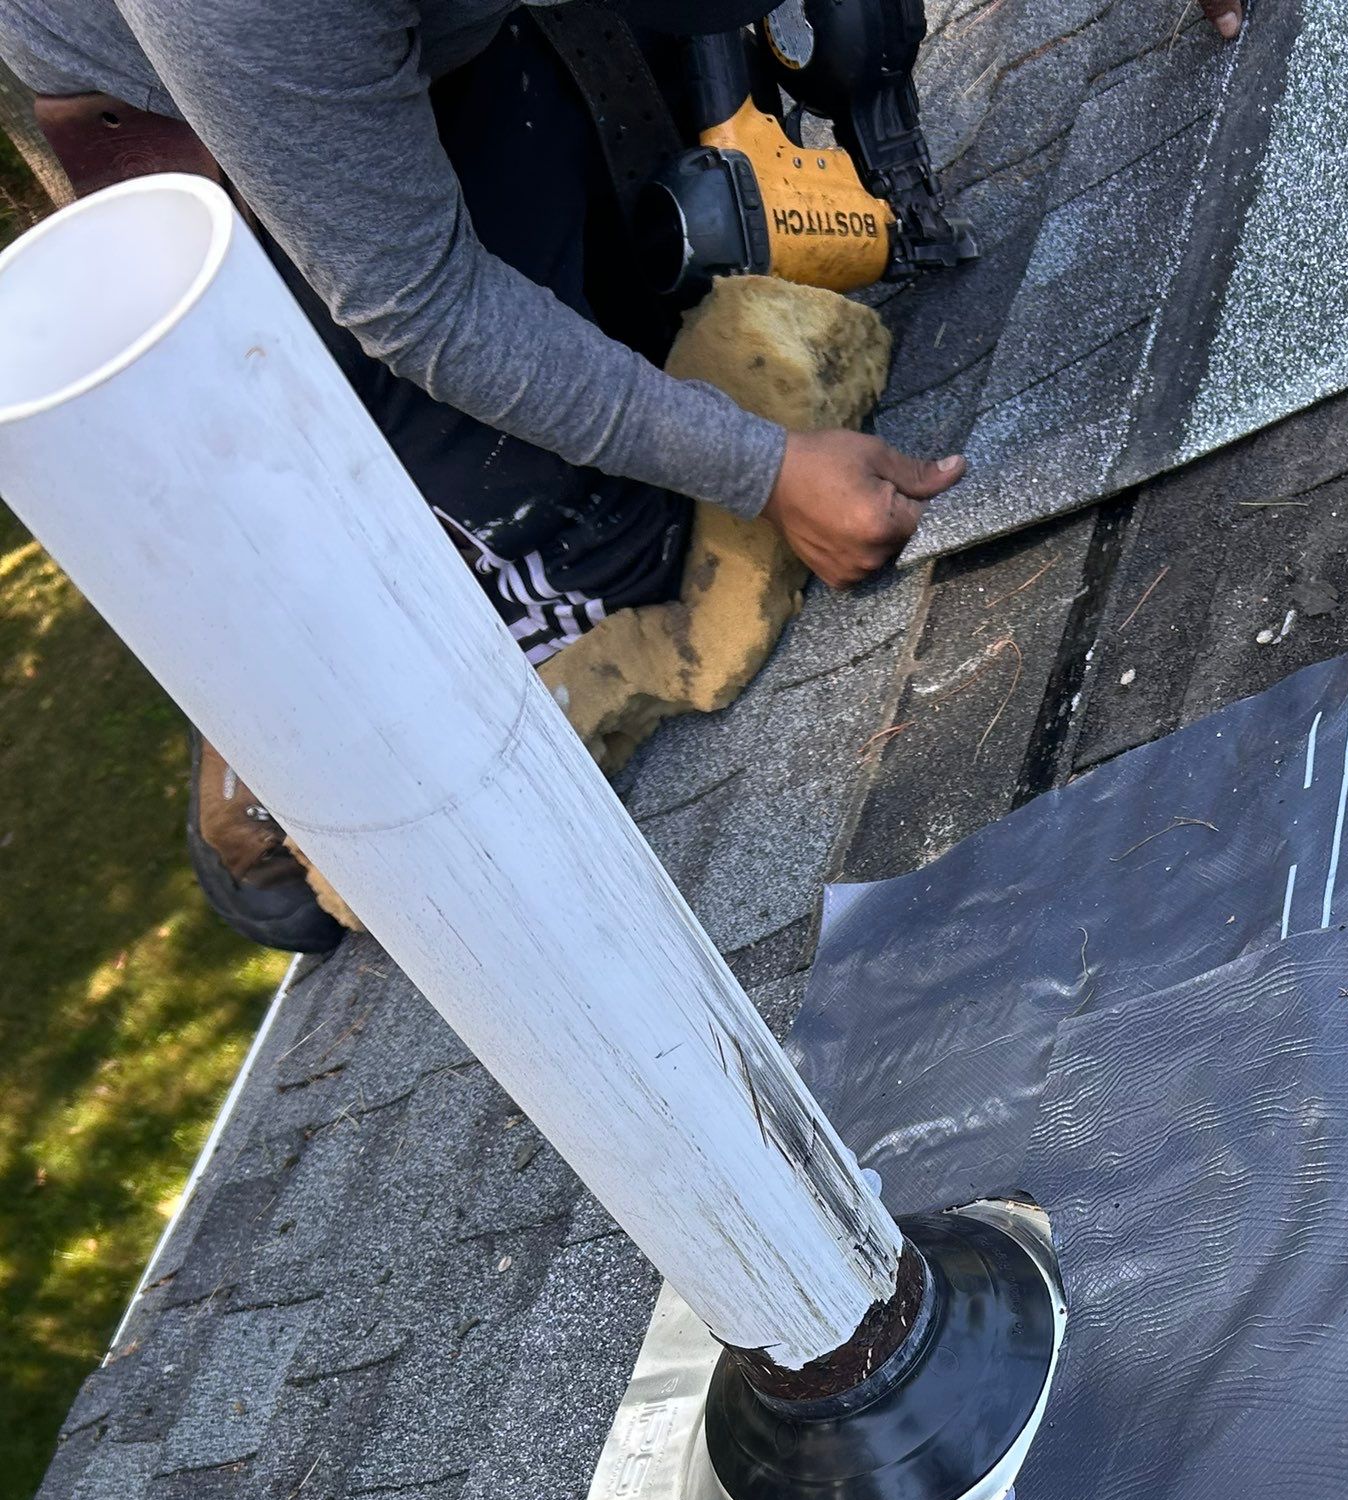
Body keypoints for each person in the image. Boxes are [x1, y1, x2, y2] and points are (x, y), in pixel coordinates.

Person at [0, 0, 1242, 946]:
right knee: (622, 552)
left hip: (416, 36)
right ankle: (276, 686)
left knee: (657, 280)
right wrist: (762, 467)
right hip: (247, 129)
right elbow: (426, 307)